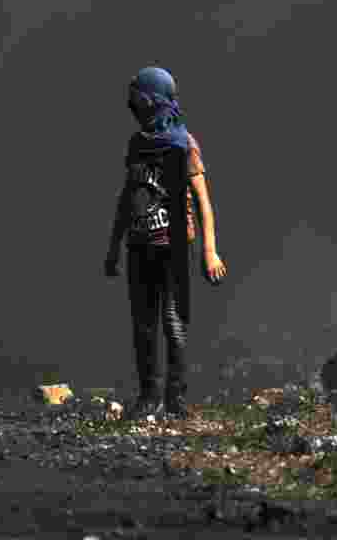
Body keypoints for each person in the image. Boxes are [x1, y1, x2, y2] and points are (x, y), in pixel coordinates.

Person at [104, 66, 227, 420]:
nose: (134, 105)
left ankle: (176, 401)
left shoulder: (184, 145)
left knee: (173, 324)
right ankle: (148, 398)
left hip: (173, 248)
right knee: (143, 325)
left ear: (150, 100)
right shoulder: (137, 145)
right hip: (140, 248)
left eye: (139, 98)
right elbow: (127, 197)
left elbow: (202, 201)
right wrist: (114, 246)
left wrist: (209, 250)